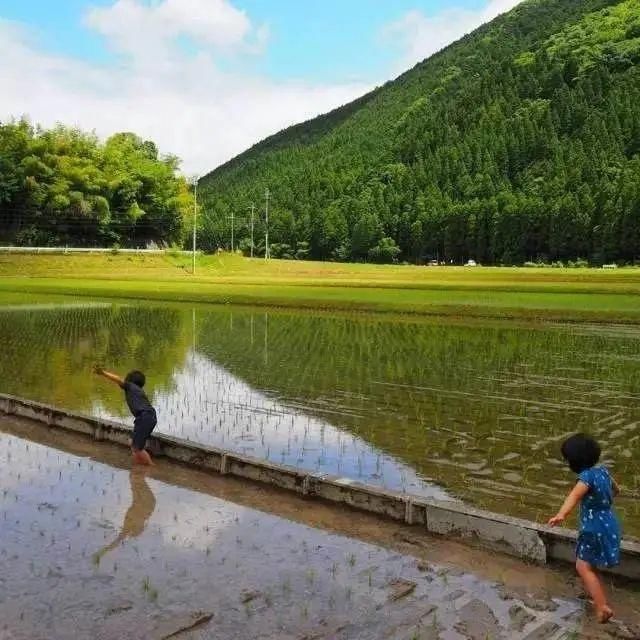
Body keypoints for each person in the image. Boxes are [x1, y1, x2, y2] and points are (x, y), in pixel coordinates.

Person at [548, 433, 621, 623]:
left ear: (573, 462)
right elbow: (616, 490)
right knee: (590, 563)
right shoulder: (603, 472)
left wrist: (561, 515)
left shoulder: (585, 478)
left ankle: (602, 606)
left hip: (593, 527)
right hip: (609, 522)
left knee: (582, 566)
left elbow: (573, 497)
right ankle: (593, 592)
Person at [94, 366, 157, 466]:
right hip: (146, 417)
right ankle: (138, 466)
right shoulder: (137, 390)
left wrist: (103, 373)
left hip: (145, 417)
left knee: (137, 448)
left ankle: (151, 467)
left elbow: (118, 379)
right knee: (133, 443)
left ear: (131, 380)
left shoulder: (130, 386)